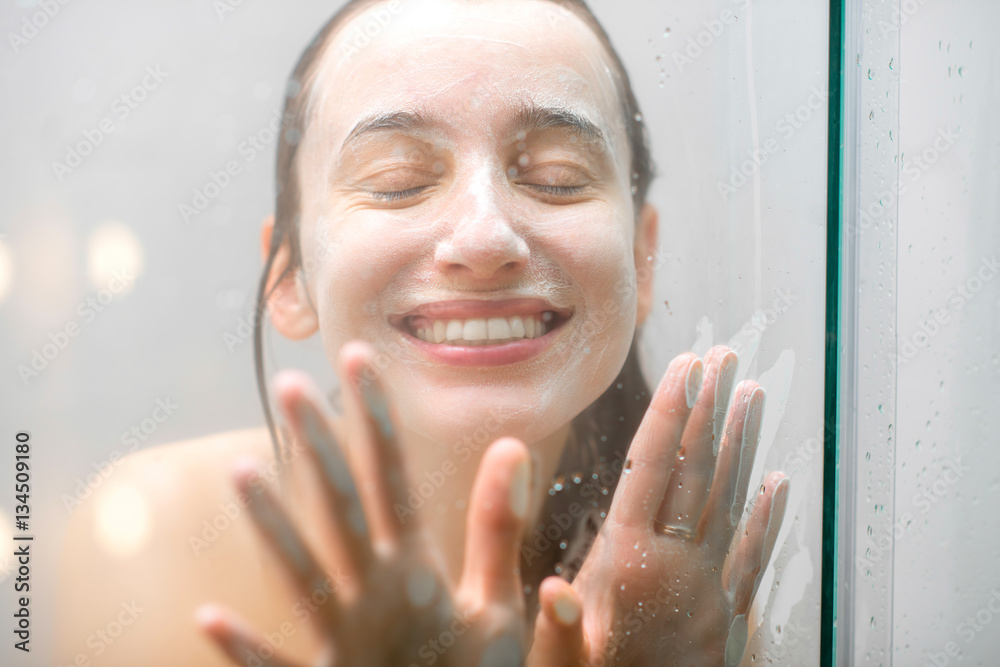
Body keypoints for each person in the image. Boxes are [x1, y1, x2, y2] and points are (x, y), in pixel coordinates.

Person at [57, 0, 789, 665]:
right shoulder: (152, 536)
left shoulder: (683, 587)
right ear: (289, 280)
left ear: (640, 259)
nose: (484, 235)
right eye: (398, 179)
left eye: (558, 176)